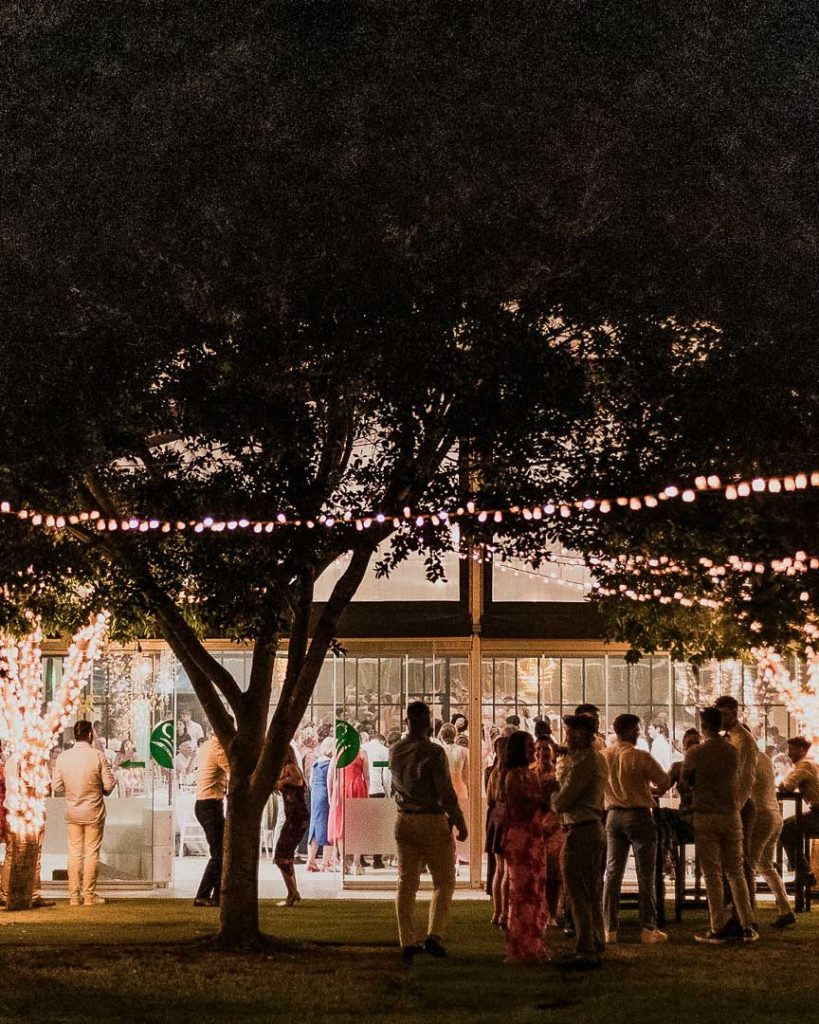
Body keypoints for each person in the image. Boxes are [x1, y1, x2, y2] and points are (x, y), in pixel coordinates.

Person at [389, 701, 467, 964]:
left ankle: (407, 941)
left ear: (407, 721)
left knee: (406, 883)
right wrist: (459, 820)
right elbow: (445, 792)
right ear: (427, 722)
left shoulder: (396, 750)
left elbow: (394, 785)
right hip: (432, 818)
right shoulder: (433, 752)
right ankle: (434, 935)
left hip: (404, 817)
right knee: (444, 881)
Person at [685, 706, 758, 943]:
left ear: (704, 727)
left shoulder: (696, 752)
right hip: (730, 814)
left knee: (713, 873)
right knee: (736, 871)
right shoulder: (732, 751)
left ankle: (718, 925)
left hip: (706, 814)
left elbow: (686, 780)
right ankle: (746, 923)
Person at [602, 714, 670, 945]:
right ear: (631, 730)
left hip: (613, 815)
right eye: (637, 728)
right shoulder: (641, 757)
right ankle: (647, 927)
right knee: (646, 873)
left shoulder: (604, 756)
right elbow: (663, 781)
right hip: (639, 815)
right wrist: (650, 791)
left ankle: (609, 927)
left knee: (612, 873)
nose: (640, 732)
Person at [552, 713, 608, 970]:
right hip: (591, 827)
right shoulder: (591, 759)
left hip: (581, 828)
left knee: (577, 890)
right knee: (591, 889)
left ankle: (585, 946)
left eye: (571, 732)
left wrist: (551, 793)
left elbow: (564, 800)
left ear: (584, 734)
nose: (567, 737)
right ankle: (596, 938)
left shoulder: (584, 762)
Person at [501, 731, 554, 962]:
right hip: (521, 838)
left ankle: (535, 943)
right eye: (530, 745)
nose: (534, 749)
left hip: (534, 837)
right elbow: (519, 810)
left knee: (536, 891)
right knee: (522, 894)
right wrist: (542, 795)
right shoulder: (513, 776)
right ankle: (521, 946)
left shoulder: (529, 775)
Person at [51, 720, 116, 907]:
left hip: (72, 810)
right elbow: (109, 785)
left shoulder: (63, 757)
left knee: (74, 853)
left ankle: (74, 896)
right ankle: (88, 895)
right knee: (91, 853)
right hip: (94, 810)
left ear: (74, 735)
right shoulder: (97, 756)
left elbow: (56, 785)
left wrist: (71, 790)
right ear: (90, 735)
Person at [714, 694, 758, 900]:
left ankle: (745, 911)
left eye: (723, 714)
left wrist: (734, 807)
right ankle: (737, 908)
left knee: (739, 860)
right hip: (731, 804)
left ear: (734, 713)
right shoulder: (729, 738)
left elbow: (745, 777)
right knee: (731, 861)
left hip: (738, 805)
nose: (720, 719)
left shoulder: (743, 740)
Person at [747, 742, 794, 927]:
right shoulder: (764, 758)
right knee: (765, 864)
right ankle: (785, 908)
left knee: (748, 864)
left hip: (760, 816)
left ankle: (746, 914)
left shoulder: (748, 758)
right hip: (774, 815)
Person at [192, 732, 229, 907]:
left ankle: (217, 894)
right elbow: (232, 769)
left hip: (206, 803)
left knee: (220, 851)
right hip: (210, 804)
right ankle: (203, 894)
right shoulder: (217, 749)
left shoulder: (207, 745)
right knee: (219, 853)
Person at [779, 735, 819, 887]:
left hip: (817, 814)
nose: (789, 754)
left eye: (792, 749)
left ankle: (804, 873)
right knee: (791, 827)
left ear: (802, 750)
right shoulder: (811, 763)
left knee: (785, 829)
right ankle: (803, 873)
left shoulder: (805, 765)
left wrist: (782, 781)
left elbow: (787, 787)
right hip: (815, 812)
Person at [532, 737, 563, 928]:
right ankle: (539, 911)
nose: (542, 752)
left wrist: (553, 821)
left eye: (546, 749)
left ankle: (552, 911)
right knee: (536, 872)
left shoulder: (558, 774)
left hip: (554, 825)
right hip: (535, 825)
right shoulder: (530, 774)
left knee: (553, 872)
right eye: (539, 749)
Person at [274, 747, 311, 906]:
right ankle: (293, 891)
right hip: (295, 817)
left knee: (280, 856)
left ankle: (292, 892)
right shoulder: (287, 768)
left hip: (295, 818)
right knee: (285, 855)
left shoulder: (290, 768)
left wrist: (282, 781)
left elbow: (298, 781)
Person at [485, 735, 509, 927]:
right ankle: (505, 912)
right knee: (507, 869)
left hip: (494, 819)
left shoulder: (492, 772)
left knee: (499, 869)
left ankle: (497, 911)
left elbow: (489, 799)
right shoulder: (510, 773)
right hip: (506, 820)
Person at [439, 723, 469, 864]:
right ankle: (458, 856)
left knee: (445, 825)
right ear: (455, 735)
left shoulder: (438, 750)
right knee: (459, 820)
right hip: (460, 788)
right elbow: (467, 775)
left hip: (442, 790)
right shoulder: (463, 751)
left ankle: (449, 856)